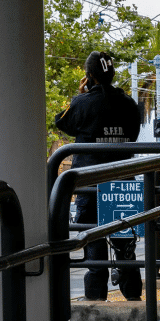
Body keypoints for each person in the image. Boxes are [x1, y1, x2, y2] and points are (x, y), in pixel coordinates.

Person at [55, 51, 143, 300]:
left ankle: (95, 297)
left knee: (92, 239)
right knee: (125, 242)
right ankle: (133, 295)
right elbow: (134, 134)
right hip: (122, 181)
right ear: (112, 74)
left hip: (89, 183)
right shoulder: (129, 104)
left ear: (89, 75)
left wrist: (81, 95)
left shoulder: (82, 103)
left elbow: (62, 122)